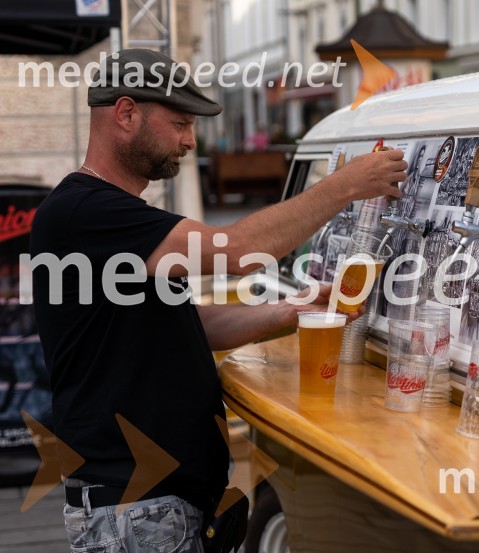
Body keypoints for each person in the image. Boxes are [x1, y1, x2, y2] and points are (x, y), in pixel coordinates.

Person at [29, 49, 405, 553]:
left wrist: (295, 310)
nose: (190, 140)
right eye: (180, 123)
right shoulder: (86, 212)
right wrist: (346, 185)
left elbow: (189, 324)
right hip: (135, 507)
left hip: (156, 505)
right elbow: (244, 251)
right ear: (125, 114)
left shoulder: (108, 217)